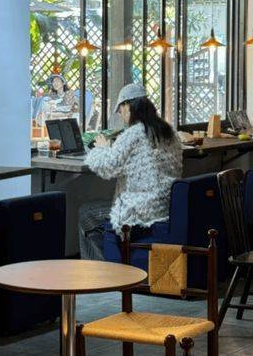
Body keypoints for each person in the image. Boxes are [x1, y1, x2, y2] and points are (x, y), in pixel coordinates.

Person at [78, 83, 182, 260]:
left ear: (128, 106)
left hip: (140, 209)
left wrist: (101, 148)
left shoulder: (133, 134)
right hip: (167, 205)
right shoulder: (169, 131)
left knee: (86, 212)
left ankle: (102, 272)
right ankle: (114, 263)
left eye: (120, 109)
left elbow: (109, 166)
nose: (120, 113)